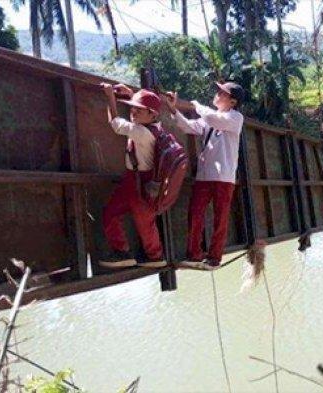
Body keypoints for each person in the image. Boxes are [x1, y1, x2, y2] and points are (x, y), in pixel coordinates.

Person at [165, 82, 245, 270]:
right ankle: (194, 254)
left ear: (232, 101)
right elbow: (188, 127)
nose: (217, 94)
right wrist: (173, 108)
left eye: (222, 93)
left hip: (224, 177)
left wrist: (196, 105)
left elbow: (211, 117)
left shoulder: (235, 117)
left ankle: (214, 257)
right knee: (195, 214)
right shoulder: (210, 120)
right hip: (204, 175)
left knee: (220, 218)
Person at [97, 83, 166, 269]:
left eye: (139, 110)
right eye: (133, 108)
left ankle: (153, 256)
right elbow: (138, 116)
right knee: (114, 213)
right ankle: (132, 253)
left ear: (152, 115)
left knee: (143, 222)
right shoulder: (155, 126)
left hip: (140, 181)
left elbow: (116, 124)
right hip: (136, 179)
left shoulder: (142, 132)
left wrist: (110, 97)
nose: (134, 112)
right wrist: (132, 94)